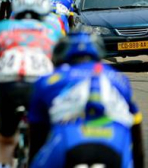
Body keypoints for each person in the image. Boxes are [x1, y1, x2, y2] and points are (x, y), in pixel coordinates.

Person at [0, 0, 62, 168]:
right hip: (40, 87)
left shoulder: (0, 28)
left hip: (8, 85)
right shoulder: (54, 30)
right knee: (44, 143)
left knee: (5, 142)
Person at [29, 32, 144, 168]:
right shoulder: (118, 79)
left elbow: (37, 135)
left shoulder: (48, 80)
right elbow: (136, 125)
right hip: (114, 141)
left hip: (67, 141)